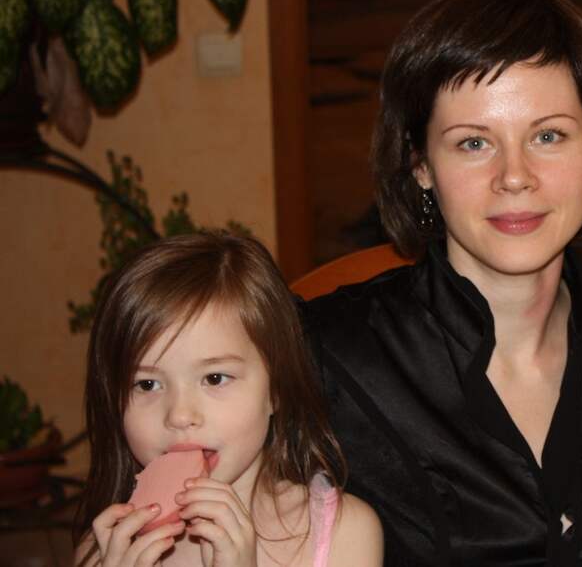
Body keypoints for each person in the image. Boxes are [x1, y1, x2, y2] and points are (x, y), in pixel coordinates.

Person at [303, 0, 582, 565]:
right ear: (420, 165)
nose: (515, 175)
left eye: (548, 136)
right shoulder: (325, 357)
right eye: (473, 143)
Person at [75, 233, 383, 566]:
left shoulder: (344, 532)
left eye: (214, 378)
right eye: (147, 384)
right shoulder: (103, 551)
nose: (179, 415)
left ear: (276, 389)